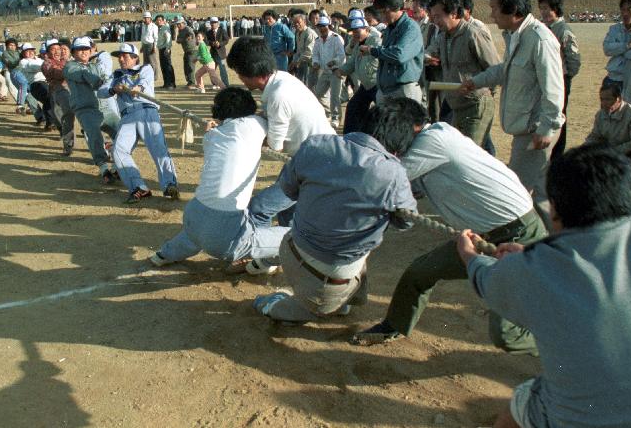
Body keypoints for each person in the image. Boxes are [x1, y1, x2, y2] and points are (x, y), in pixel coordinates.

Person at [457, 144, 631, 428]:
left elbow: (487, 278)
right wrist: (533, 257)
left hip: (588, 417)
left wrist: (469, 255)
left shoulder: (535, 270)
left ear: (556, 213)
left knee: (523, 403)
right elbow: (596, 267)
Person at [351, 98, 545, 350]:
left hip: (518, 234)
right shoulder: (435, 137)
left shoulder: (432, 142)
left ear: (411, 130)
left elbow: (380, 179)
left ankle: (559, 352)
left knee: (507, 334)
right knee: (419, 273)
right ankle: (394, 326)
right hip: (478, 236)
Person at [252, 111, 417, 325]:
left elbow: (289, 189)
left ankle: (343, 301)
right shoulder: (394, 173)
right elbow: (406, 221)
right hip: (327, 278)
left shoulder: (316, 145)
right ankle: (271, 305)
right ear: (399, 145)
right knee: (317, 309)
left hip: (291, 248)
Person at [461, 0, 564, 227]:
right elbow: (504, 70)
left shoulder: (539, 39)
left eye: (495, 8)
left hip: (536, 132)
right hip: (528, 130)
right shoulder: (517, 36)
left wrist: (546, 129)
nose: (492, 14)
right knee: (540, 194)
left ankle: (547, 245)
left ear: (512, 9)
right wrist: (476, 81)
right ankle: (553, 244)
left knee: (517, 192)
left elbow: (554, 89)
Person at [227, 36, 334, 272]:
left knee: (259, 208)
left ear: (252, 72)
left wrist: (241, 134)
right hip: (313, 156)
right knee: (287, 211)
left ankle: (262, 258)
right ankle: (291, 254)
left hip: (313, 163)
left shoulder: (277, 95)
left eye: (238, 72)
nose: (239, 78)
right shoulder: (282, 80)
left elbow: (274, 145)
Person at [149, 88, 289, 267]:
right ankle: (261, 264)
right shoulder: (255, 124)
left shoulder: (210, 136)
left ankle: (164, 255)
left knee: (195, 237)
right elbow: (272, 119)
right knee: (294, 237)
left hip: (194, 213)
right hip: (224, 239)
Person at [98, 43, 179, 203]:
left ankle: (170, 184)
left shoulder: (145, 68)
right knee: (118, 150)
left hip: (147, 110)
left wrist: (137, 88)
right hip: (127, 116)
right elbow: (102, 91)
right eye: (119, 56)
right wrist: (114, 89)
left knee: (158, 149)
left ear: (135, 58)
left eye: (125, 56)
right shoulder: (115, 75)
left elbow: (145, 81)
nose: (121, 59)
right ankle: (138, 187)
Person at [426, 0, 500, 146]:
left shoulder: (473, 34)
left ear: (453, 14)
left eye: (438, 16)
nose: (435, 21)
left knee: (472, 154)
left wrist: (485, 93)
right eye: (433, 17)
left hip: (476, 105)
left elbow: (495, 68)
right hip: (457, 107)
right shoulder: (442, 37)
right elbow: (430, 53)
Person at [63, 36, 116, 184]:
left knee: (121, 131)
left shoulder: (95, 66)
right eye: (79, 49)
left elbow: (106, 77)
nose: (83, 52)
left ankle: (118, 164)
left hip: (104, 106)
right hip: (85, 108)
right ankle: (103, 166)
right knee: (94, 135)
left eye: (86, 49)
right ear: (73, 53)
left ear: (91, 50)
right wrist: (98, 81)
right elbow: (83, 75)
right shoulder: (70, 67)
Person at [537, 0, 581, 159]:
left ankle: (557, 155)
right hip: (545, 80)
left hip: (560, 81)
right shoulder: (543, 28)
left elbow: (574, 59)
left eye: (547, 8)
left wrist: (565, 77)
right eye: (541, 8)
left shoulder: (563, 30)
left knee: (559, 117)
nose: (544, 12)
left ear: (556, 8)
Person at [585, 83, 631, 181]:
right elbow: (595, 136)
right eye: (602, 99)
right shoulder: (600, 115)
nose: (604, 103)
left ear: (618, 99)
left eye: (608, 99)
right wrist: (586, 149)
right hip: (616, 153)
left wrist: (613, 152)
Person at [366, 0, 424, 104]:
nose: (382, 17)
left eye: (384, 12)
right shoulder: (389, 29)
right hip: (386, 90)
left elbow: (400, 55)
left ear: (395, 8)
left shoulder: (410, 28)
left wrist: (373, 51)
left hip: (403, 90)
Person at [338, 17, 379, 134]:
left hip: (377, 84)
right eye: (353, 31)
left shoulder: (375, 41)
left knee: (382, 112)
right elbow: (351, 63)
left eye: (358, 31)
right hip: (365, 85)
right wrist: (341, 71)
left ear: (366, 30)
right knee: (353, 107)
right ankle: (351, 136)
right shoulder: (357, 45)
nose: (355, 34)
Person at [41, 38, 76, 156]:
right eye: (53, 49)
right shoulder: (46, 63)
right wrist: (70, 70)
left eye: (59, 48)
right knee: (64, 117)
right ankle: (68, 144)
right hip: (59, 91)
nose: (57, 51)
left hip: (73, 91)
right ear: (48, 52)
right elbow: (55, 73)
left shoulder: (67, 61)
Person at [311, 16, 346, 127]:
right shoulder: (318, 40)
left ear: (329, 26)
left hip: (336, 70)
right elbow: (315, 54)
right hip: (325, 71)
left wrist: (334, 62)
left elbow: (341, 55)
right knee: (319, 93)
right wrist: (315, 62)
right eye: (319, 26)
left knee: (335, 96)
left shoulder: (336, 38)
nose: (321, 29)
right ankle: (328, 112)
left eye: (324, 26)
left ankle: (336, 118)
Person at [290, 11, 318, 88]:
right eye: (294, 23)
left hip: (311, 63)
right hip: (302, 62)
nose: (296, 24)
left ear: (304, 22)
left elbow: (309, 52)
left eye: (298, 22)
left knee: (310, 85)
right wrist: (294, 61)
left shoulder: (309, 33)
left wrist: (297, 61)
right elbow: (298, 50)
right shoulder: (297, 33)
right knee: (300, 84)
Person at [205, 17, 230, 87]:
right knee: (212, 70)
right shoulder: (208, 32)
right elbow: (206, 41)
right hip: (213, 54)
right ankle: (215, 84)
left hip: (222, 54)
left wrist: (220, 43)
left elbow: (226, 40)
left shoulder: (222, 31)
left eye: (214, 22)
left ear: (218, 23)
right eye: (211, 23)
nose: (213, 24)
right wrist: (212, 43)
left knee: (223, 70)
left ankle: (226, 84)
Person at [174, 16, 197, 89]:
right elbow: (177, 41)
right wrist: (176, 32)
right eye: (177, 24)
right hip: (186, 51)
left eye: (180, 24)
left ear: (183, 23)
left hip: (192, 51)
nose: (178, 25)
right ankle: (189, 82)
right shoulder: (180, 31)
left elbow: (191, 34)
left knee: (190, 67)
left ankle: (192, 83)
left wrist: (186, 38)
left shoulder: (187, 28)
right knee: (186, 67)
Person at [155, 14, 176, 89]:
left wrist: (168, 48)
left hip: (166, 49)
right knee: (163, 66)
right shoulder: (158, 28)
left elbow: (168, 39)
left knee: (168, 66)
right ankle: (166, 83)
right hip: (160, 49)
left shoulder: (165, 28)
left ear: (163, 21)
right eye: (157, 20)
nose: (158, 21)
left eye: (160, 20)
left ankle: (171, 84)